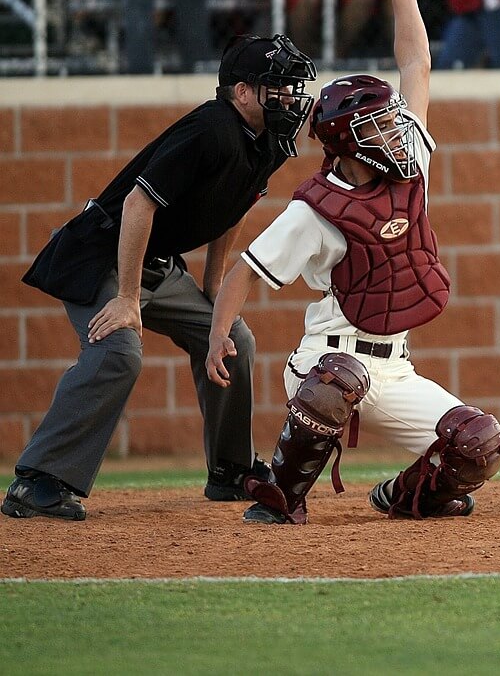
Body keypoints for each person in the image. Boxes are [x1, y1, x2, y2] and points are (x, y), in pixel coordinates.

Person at [205, 0, 500, 525]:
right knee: (334, 384)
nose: (396, 130)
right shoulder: (315, 208)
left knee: (480, 442)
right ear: (346, 141)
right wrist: (219, 333)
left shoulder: (409, 160)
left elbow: (415, 62)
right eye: (379, 126)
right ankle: (281, 498)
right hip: (327, 360)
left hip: (395, 368)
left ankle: (405, 496)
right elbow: (247, 268)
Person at [2, 35, 318, 522]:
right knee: (118, 353)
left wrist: (214, 289)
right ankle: (37, 480)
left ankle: (230, 471)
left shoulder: (266, 141)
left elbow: (234, 207)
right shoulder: (211, 130)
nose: (289, 98)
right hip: (101, 254)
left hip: (157, 263)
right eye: (276, 88)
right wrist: (128, 298)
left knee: (231, 335)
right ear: (241, 92)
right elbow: (137, 203)